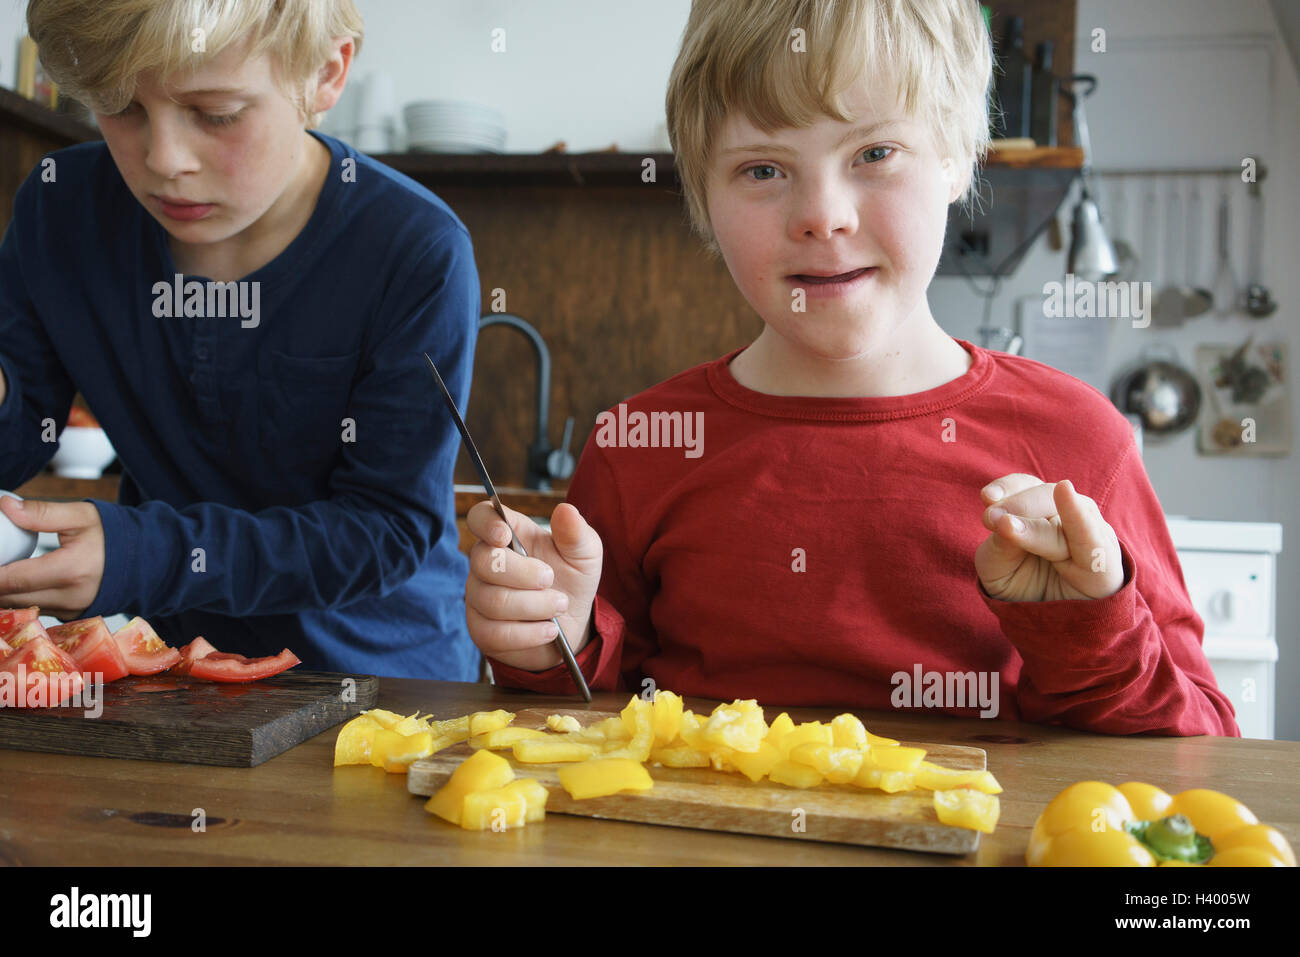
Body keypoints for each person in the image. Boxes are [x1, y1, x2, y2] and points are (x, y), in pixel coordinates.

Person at [462, 0, 1237, 735]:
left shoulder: (1078, 439)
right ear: (701, 191)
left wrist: (1090, 627)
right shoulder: (639, 444)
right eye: (764, 169)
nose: (822, 214)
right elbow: (583, 710)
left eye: (874, 153)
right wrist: (543, 640)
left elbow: (1201, 743)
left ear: (959, 158)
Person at [0, 0, 481, 680]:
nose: (164, 160)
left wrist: (145, 553)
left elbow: (386, 531)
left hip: (383, 684)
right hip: (168, 678)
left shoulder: (415, 250)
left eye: (217, 114)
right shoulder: (59, 209)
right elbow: (20, 432)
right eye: (120, 107)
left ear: (325, 73)